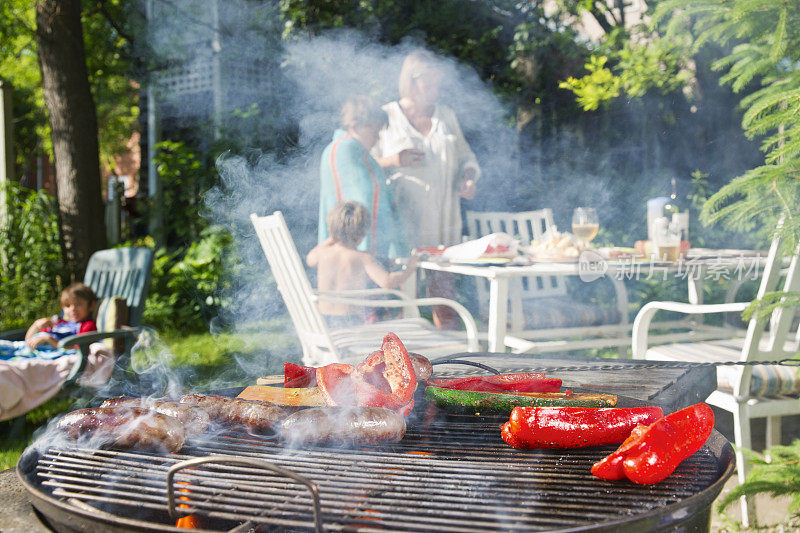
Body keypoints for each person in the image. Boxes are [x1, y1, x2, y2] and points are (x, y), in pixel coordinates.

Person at [373, 50, 481, 329]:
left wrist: (468, 177)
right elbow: (367, 164)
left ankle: (449, 361)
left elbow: (467, 157)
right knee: (401, 297)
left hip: (443, 221)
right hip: (403, 222)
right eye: (429, 81)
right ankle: (398, 363)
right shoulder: (387, 115)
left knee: (444, 296)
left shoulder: (446, 116)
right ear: (411, 80)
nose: (435, 88)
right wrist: (394, 160)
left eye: (437, 81)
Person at [318, 96, 405, 261]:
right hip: (356, 259)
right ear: (355, 125)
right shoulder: (347, 150)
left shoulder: (340, 149)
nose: (378, 137)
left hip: (340, 255)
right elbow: (367, 201)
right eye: (375, 130)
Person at [307, 200, 419, 329]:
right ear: (364, 233)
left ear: (330, 228)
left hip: (324, 322)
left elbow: (310, 259)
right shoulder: (363, 258)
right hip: (351, 323)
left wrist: (335, 234)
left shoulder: (322, 253)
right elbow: (388, 282)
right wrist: (410, 269)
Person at [0, 283, 98, 359]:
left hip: (44, 354)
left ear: (91, 305)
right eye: (68, 306)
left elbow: (78, 348)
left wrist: (49, 339)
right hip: (26, 347)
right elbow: (29, 340)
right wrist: (36, 325)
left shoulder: (87, 325)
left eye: (78, 304)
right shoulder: (60, 322)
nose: (72, 309)